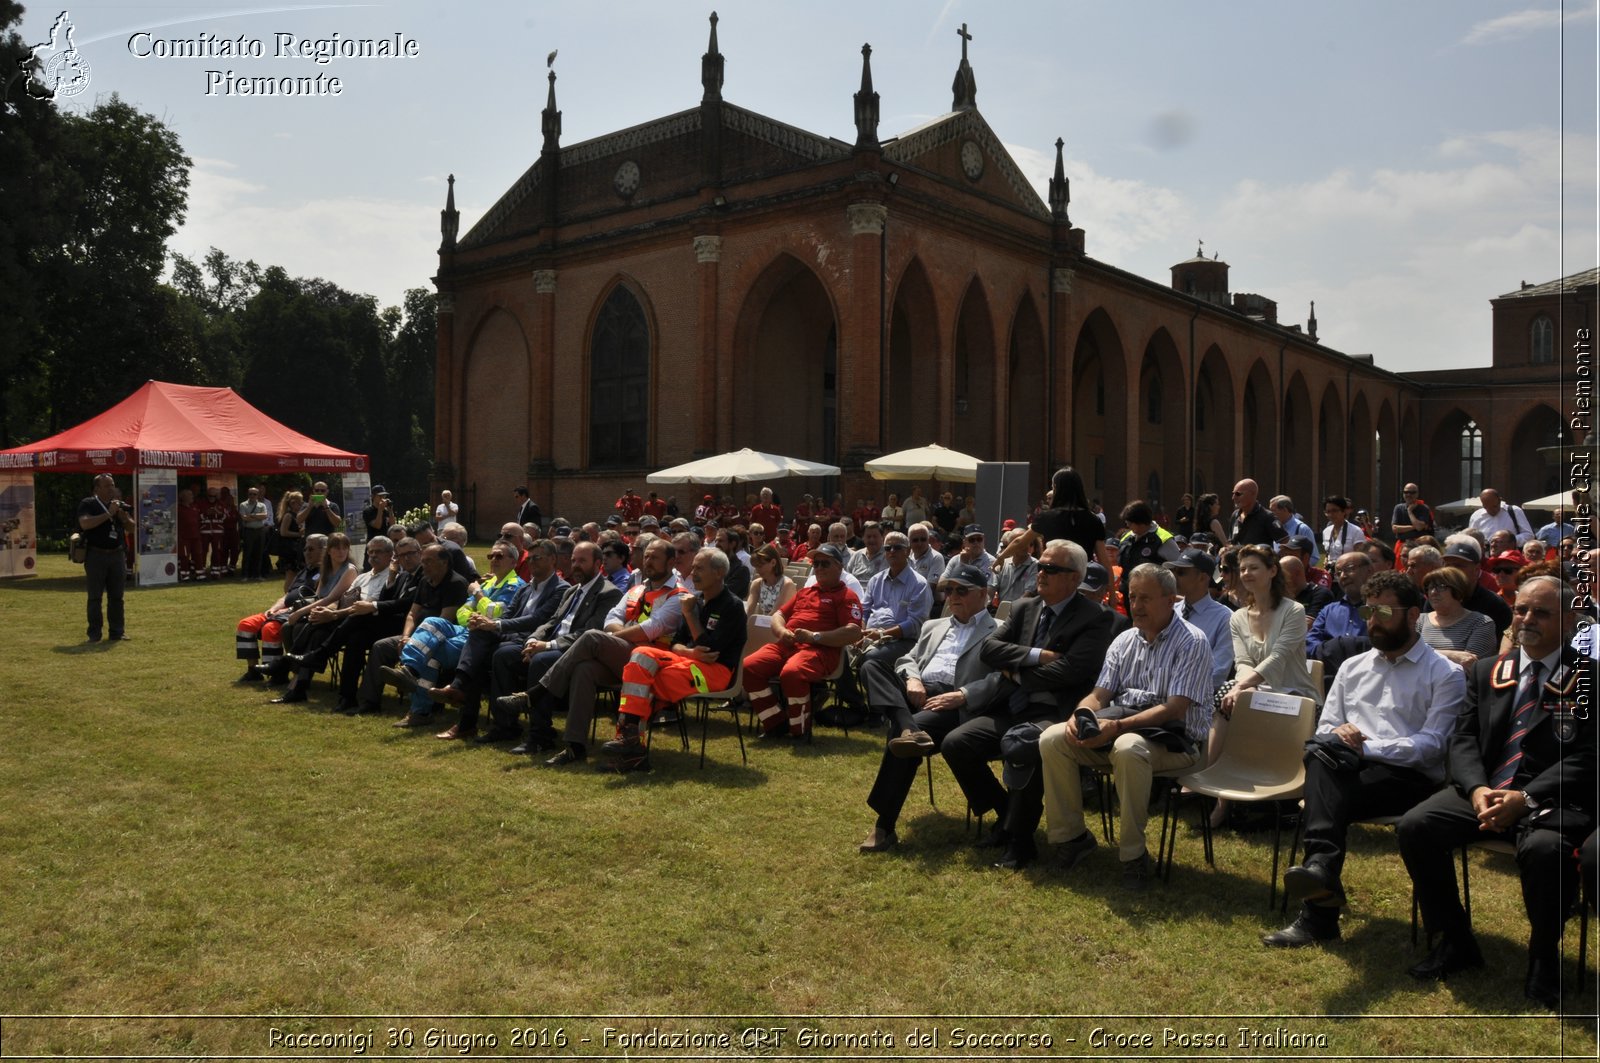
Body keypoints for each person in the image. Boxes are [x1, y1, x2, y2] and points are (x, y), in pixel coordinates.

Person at [1398, 576, 1593, 1009]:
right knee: (1417, 826)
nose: (1526, 619)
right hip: (1487, 790)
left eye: (1541, 613)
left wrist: (1527, 797)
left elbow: (1589, 756)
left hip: (1554, 799)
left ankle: (1544, 957)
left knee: (1547, 852)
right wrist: (1477, 789)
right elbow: (1463, 738)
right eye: (1522, 609)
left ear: (1569, 622)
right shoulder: (1490, 670)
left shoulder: (1589, 677)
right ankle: (1455, 940)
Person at [1263, 571, 1465, 948]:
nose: (1372, 621)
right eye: (1368, 610)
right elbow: (1326, 728)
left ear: (1413, 615)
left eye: (1384, 612)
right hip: (1344, 768)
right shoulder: (1354, 668)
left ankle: (1318, 907)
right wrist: (1341, 740)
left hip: (1409, 780)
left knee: (1322, 771)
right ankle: (1320, 871)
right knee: (1321, 756)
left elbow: (1433, 747)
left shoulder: (1444, 674)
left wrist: (1365, 748)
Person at [1039, 563, 1215, 889]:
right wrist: (1080, 718)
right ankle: (1072, 838)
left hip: (1178, 741)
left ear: (1170, 600)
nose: (1136, 605)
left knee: (1128, 748)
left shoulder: (1193, 641)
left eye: (1145, 598)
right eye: (1132, 597)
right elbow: (1099, 694)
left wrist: (1116, 728)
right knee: (1052, 738)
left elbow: (1175, 708)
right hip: (1123, 729)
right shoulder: (1123, 641)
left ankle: (1134, 856)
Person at [961, 540, 1114, 869]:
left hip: (1058, 713)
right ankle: (1006, 815)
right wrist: (1036, 656)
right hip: (1013, 707)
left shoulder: (1096, 618)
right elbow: (988, 650)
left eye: (1051, 569)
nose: (1040, 573)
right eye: (1040, 565)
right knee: (958, 743)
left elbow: (1072, 670)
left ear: (1074, 578)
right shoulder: (1025, 607)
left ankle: (1020, 843)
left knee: (1023, 748)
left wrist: (1016, 673)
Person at [531, 536, 683, 766]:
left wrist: (610, 637)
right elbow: (611, 618)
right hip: (623, 656)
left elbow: (651, 629)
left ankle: (537, 693)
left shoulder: (677, 596)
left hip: (652, 663)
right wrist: (615, 635)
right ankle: (575, 746)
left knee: (592, 637)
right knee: (584, 669)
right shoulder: (636, 589)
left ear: (671, 562)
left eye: (656, 557)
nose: (648, 561)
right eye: (647, 556)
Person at [600, 546, 748, 771]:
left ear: (719, 573)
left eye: (700, 568)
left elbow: (710, 651)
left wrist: (689, 615)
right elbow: (676, 643)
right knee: (640, 654)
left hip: (717, 673)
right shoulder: (695, 600)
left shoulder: (732, 606)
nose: (693, 573)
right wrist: (688, 652)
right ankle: (631, 742)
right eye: (693, 567)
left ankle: (630, 746)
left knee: (652, 679)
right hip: (687, 661)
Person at [1211, 545, 1318, 826]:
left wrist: (1239, 688)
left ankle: (1220, 797)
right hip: (1256, 692)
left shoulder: (1294, 611)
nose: (1246, 573)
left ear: (1272, 571)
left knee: (1229, 694)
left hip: (1294, 695)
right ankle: (1219, 791)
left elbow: (1278, 658)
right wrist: (1244, 687)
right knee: (1226, 697)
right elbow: (1243, 661)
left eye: (1254, 567)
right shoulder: (1236, 618)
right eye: (1243, 568)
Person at [424, 539, 568, 738]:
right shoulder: (525, 588)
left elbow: (538, 619)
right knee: (479, 637)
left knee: (494, 653)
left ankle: (499, 724)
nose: (532, 562)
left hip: (534, 642)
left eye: (538, 558)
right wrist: (483, 622)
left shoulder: (561, 589)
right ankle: (465, 712)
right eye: (531, 558)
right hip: (511, 636)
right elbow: (508, 615)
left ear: (553, 560)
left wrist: (495, 624)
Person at [744, 543, 863, 739]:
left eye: (825, 564)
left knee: (792, 673)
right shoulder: (805, 592)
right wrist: (782, 631)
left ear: (840, 567)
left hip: (819, 650)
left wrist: (815, 636)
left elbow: (853, 632)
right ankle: (775, 722)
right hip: (787, 644)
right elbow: (778, 616)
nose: (819, 568)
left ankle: (799, 730)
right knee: (749, 667)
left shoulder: (846, 596)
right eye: (816, 564)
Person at [996, 466, 1113, 572]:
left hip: (1052, 576)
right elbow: (1104, 561)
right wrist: (1112, 594)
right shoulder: (1094, 520)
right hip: (1082, 579)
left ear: (1057, 489)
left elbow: (1019, 541)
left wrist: (1001, 557)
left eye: (1053, 487)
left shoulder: (1046, 517)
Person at [78, 473, 136, 643]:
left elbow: (132, 528)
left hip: (116, 554)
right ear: (97, 489)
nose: (111, 488)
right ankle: (94, 634)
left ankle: (117, 632)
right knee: (95, 597)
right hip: (96, 555)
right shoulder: (88, 503)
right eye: (107, 486)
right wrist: (108, 514)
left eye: (112, 485)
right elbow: (85, 523)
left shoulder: (117, 505)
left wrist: (125, 519)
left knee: (117, 596)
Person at [1418, 566, 1499, 670]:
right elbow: (1406, 656)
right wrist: (1453, 655)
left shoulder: (1481, 623)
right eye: (1430, 587)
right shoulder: (1419, 621)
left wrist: (1422, 653)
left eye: (1441, 586)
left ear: (1458, 590)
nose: (1433, 592)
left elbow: (1470, 666)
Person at [1441, 536, 1513, 644]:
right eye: (1447, 565)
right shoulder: (1435, 599)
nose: (1451, 571)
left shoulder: (1495, 605)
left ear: (1476, 570)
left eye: (1458, 566)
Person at [1228, 479, 1285, 547]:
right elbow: (1231, 542)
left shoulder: (1267, 517)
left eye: (1238, 494)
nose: (1233, 497)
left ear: (1253, 494)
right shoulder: (1235, 515)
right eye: (1233, 494)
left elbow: (1285, 541)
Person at [746, 542, 797, 617]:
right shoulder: (756, 584)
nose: (757, 570)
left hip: (782, 625)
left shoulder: (787, 585)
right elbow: (749, 611)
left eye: (760, 566)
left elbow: (775, 613)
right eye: (756, 567)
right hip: (764, 624)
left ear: (773, 562)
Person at [1390, 483, 1434, 565]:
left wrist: (1410, 512)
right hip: (1402, 545)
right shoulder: (1398, 508)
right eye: (1406, 492)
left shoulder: (1424, 508)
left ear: (1417, 494)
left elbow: (1420, 527)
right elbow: (1395, 529)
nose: (1408, 495)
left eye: (1412, 492)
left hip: (1419, 545)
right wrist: (1414, 526)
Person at [1270, 495, 1319, 566]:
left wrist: (1297, 569)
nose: (1271, 514)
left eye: (1273, 511)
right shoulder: (1275, 527)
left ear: (1285, 510)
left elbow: (1314, 557)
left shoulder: (1302, 529)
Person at [1320, 495, 1367, 565]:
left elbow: (1360, 557)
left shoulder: (1355, 531)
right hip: (1330, 573)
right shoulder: (1326, 532)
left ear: (1344, 511)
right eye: (1328, 512)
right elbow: (1328, 554)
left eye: (1334, 511)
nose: (1331, 515)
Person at [238, 486, 270, 582]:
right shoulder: (243, 505)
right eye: (250, 494)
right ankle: (245, 575)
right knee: (247, 553)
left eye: (254, 494)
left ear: (258, 495)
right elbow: (244, 518)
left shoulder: (262, 505)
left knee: (259, 553)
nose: (252, 496)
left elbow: (265, 516)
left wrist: (252, 515)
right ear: (248, 494)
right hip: (248, 531)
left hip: (260, 531)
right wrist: (257, 517)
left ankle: (257, 575)